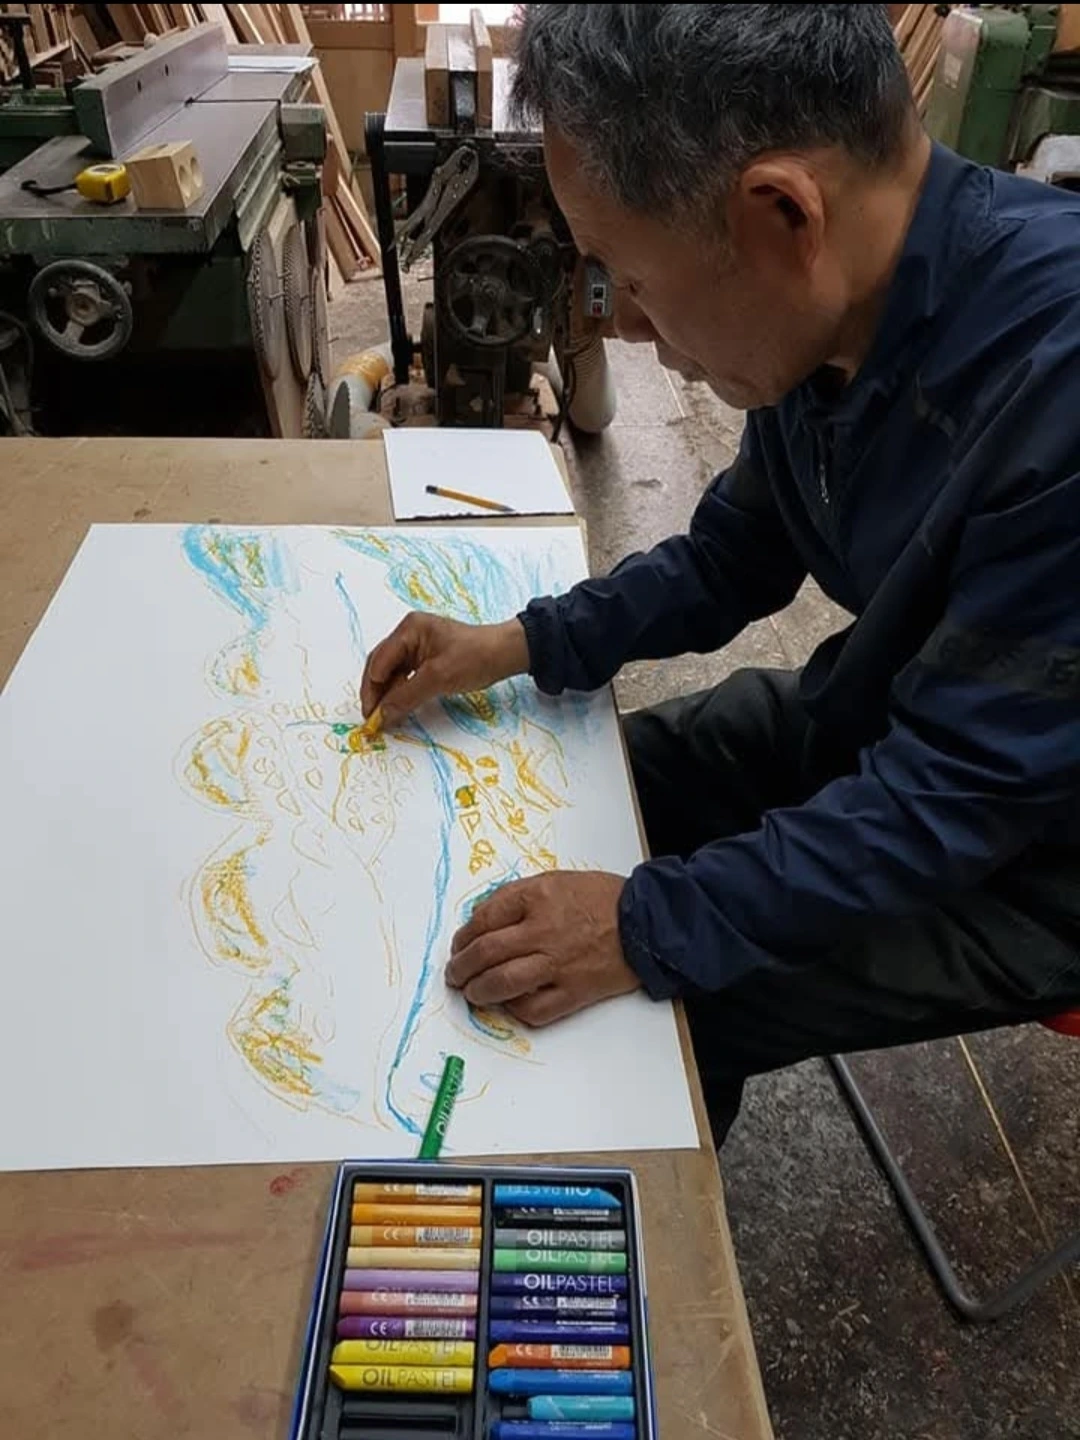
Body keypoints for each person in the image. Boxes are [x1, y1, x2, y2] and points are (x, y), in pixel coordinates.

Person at [361, 5, 1080, 1144]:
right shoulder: (835, 307)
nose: (624, 328)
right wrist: (518, 643)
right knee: (596, 792)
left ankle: (639, 1221)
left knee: (671, 1003)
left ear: (782, 214)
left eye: (631, 279)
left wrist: (642, 928)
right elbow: (731, 556)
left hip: (1033, 856)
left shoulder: (1056, 385)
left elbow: (956, 797)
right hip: (902, 723)